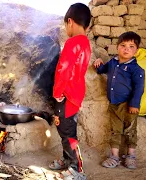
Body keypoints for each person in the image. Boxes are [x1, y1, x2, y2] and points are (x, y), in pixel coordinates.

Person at [48, 3, 91, 180]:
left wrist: (57, 92)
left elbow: (63, 69)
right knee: (65, 130)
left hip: (67, 96)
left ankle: (77, 169)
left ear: (70, 22)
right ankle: (67, 161)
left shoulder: (72, 42)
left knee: (68, 133)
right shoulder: (85, 43)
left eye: (66, 25)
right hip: (75, 95)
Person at [93, 31, 145, 169]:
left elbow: (139, 88)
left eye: (131, 46)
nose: (126, 48)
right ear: (117, 47)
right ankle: (114, 156)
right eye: (123, 45)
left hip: (128, 105)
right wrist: (98, 63)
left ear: (136, 50)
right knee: (115, 130)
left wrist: (134, 104)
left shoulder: (136, 69)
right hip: (114, 104)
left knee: (130, 131)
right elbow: (101, 70)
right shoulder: (113, 63)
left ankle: (131, 156)